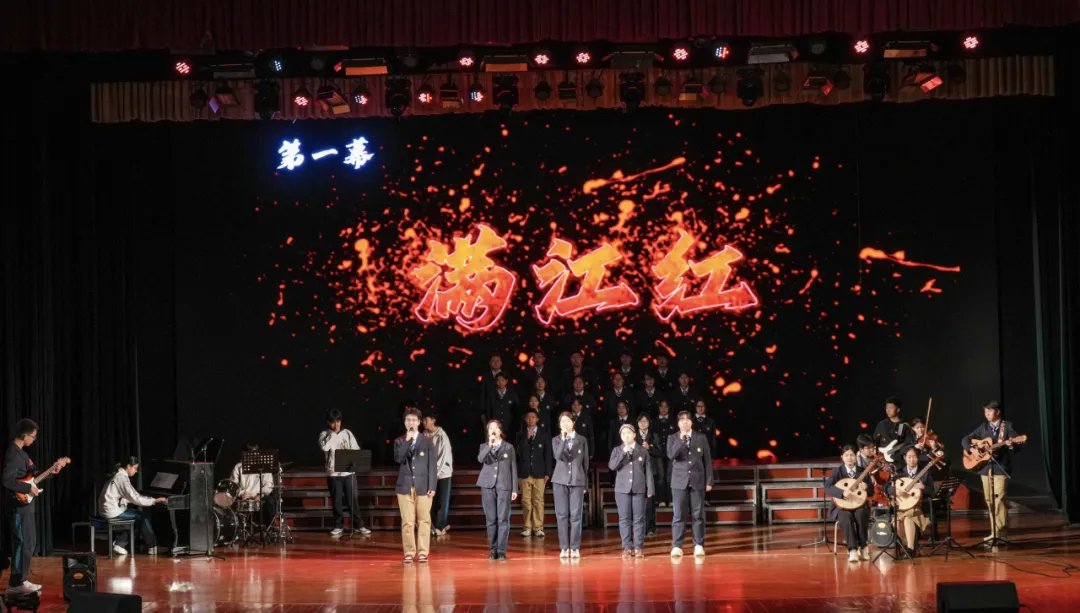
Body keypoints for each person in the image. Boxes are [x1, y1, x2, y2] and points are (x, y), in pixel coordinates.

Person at [3, 419, 58, 595]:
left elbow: (33, 476)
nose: (34, 440)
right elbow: (7, 480)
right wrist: (28, 489)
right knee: (22, 543)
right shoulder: (13, 454)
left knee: (30, 543)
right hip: (18, 507)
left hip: (26, 507)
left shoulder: (23, 455)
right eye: (33, 436)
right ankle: (15, 584)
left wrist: (51, 471)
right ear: (24, 435)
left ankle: (22, 579)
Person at [961, 400, 1025, 542]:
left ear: (998, 411)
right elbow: (965, 439)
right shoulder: (983, 427)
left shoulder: (1007, 426)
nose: (987, 414)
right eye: (985, 411)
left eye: (990, 411)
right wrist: (972, 449)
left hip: (1000, 467)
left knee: (999, 498)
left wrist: (1011, 444)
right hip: (985, 468)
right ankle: (993, 531)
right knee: (989, 499)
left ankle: (1001, 532)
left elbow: (1017, 447)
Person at [98, 456, 167, 557]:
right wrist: (154, 501)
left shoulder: (118, 475)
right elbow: (134, 497)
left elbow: (127, 497)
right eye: (135, 468)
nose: (136, 471)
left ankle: (120, 544)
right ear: (128, 466)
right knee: (142, 517)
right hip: (112, 511)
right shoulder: (121, 478)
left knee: (136, 514)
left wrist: (147, 499)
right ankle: (152, 547)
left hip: (109, 509)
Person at [394, 408, 438, 563]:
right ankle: (409, 552)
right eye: (408, 420)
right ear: (405, 423)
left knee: (424, 520)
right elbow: (399, 458)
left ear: (419, 422)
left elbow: (432, 465)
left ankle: (423, 552)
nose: (411, 423)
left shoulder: (427, 441)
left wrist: (432, 486)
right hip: (405, 486)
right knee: (407, 521)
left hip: (423, 486)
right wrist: (407, 440)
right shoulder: (399, 441)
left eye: (414, 420)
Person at [667, 410, 713, 557]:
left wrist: (709, 481)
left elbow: (707, 460)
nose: (685, 422)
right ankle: (677, 546)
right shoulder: (673, 438)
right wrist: (681, 440)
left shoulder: (701, 437)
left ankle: (698, 544)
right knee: (678, 515)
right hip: (679, 481)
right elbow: (671, 455)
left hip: (697, 480)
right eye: (682, 420)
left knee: (697, 515)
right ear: (678, 423)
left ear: (691, 422)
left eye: (687, 419)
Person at [318, 409, 371, 537]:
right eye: (333, 422)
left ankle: (358, 525)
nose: (336, 424)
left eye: (338, 421)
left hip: (348, 472)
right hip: (333, 473)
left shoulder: (347, 433)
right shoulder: (324, 434)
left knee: (353, 499)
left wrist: (352, 458)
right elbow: (324, 447)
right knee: (337, 501)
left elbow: (356, 448)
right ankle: (338, 525)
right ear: (328, 422)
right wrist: (333, 434)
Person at [825, 444, 875, 563]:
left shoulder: (863, 471)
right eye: (846, 455)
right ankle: (852, 549)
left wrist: (866, 487)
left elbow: (871, 492)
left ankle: (863, 546)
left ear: (855, 457)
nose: (849, 458)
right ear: (842, 457)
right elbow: (828, 487)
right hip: (842, 506)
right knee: (845, 516)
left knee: (861, 514)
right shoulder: (837, 471)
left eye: (852, 455)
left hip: (859, 504)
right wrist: (842, 493)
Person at [609, 424, 654, 557]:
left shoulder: (642, 450)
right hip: (622, 489)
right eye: (623, 434)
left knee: (639, 519)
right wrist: (623, 452)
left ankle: (638, 546)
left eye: (629, 433)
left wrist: (650, 488)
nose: (626, 436)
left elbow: (648, 471)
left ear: (634, 435)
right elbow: (612, 466)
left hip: (639, 488)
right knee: (624, 519)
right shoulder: (617, 450)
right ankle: (627, 547)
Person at [477, 420, 519, 560]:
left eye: (496, 428)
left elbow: (513, 468)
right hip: (487, 485)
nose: (493, 430)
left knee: (503, 519)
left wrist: (514, 488)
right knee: (491, 519)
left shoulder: (509, 447)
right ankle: (493, 549)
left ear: (500, 431)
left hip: (504, 486)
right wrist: (490, 445)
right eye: (490, 428)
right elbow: (481, 459)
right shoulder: (484, 446)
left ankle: (501, 550)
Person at [552, 411, 589, 559]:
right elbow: (557, 456)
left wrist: (585, 483)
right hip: (560, 480)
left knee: (575, 515)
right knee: (561, 515)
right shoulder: (556, 440)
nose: (565, 424)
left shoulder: (582, 440)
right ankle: (564, 547)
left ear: (573, 423)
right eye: (562, 422)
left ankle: (574, 547)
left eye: (568, 421)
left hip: (577, 480)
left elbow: (585, 463)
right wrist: (563, 439)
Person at [887, 446, 935, 555]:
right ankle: (909, 546)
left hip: (918, 507)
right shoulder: (899, 473)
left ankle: (910, 549)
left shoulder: (925, 473)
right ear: (905, 458)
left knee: (909, 518)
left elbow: (932, 492)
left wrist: (923, 487)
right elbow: (887, 488)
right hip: (902, 507)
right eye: (909, 457)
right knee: (896, 523)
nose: (911, 459)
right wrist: (895, 491)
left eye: (914, 457)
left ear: (918, 458)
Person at [516, 408, 552, 537]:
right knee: (526, 501)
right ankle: (527, 527)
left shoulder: (544, 435)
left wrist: (548, 472)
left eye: (533, 417)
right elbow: (518, 453)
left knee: (538, 501)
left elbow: (548, 455)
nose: (531, 419)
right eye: (528, 417)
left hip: (539, 473)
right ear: (525, 419)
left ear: (537, 419)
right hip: (524, 472)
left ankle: (538, 527)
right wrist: (526, 439)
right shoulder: (520, 435)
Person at [230, 443, 276, 528]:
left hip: (259, 495)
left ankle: (264, 527)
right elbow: (233, 485)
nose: (252, 456)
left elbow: (269, 485)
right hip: (244, 496)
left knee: (270, 502)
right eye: (249, 454)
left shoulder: (263, 466)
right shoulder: (238, 467)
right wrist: (241, 493)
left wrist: (260, 495)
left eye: (254, 454)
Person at [423, 412, 454, 536]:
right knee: (432, 501)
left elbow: (443, 457)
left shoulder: (442, 436)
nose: (423, 422)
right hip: (430, 473)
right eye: (422, 420)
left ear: (433, 420)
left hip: (443, 473)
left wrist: (434, 473)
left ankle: (441, 526)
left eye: (426, 420)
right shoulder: (424, 435)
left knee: (442, 500)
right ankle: (437, 525)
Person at [636, 413, 663, 535]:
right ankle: (639, 527)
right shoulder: (633, 435)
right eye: (641, 421)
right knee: (638, 501)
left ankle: (650, 527)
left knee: (650, 501)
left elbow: (660, 452)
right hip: (637, 471)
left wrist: (649, 448)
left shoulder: (654, 436)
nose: (643, 424)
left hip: (651, 471)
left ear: (649, 423)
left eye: (645, 421)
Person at [652, 400, 677, 508]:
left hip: (670, 453)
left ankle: (670, 499)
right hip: (658, 453)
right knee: (661, 476)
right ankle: (661, 499)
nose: (663, 409)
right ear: (658, 408)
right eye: (661, 406)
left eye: (666, 406)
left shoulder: (673, 421)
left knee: (669, 476)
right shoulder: (654, 422)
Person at [479, 352, 505, 427]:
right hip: (489, 410)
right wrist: (483, 410)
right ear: (490, 363)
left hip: (504, 409)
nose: (495, 363)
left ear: (501, 363)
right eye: (493, 361)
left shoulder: (506, 375)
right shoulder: (485, 376)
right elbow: (483, 394)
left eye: (497, 361)